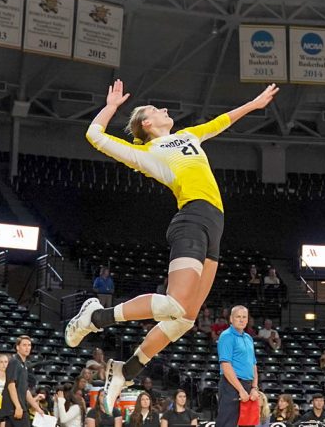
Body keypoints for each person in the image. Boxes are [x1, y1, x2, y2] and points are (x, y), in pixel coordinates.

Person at [67, 80, 279, 412]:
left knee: (185, 318)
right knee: (174, 304)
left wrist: (253, 104)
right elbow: (95, 137)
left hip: (215, 226)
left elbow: (220, 122)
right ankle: (96, 317)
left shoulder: (189, 135)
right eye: (156, 110)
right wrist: (111, 107)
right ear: (147, 124)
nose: (165, 110)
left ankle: (125, 371)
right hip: (192, 216)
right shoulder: (147, 152)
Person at [216, 306, 258, 427]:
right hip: (232, 385)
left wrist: (254, 387)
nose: (241, 320)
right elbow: (226, 365)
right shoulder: (226, 336)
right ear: (231, 319)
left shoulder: (249, 338)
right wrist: (240, 390)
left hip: (249, 385)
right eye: (238, 317)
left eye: (244, 317)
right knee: (227, 423)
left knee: (248, 424)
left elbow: (253, 364)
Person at [0, 336, 40, 427]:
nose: (27, 347)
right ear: (17, 347)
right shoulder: (15, 362)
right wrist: (18, 406)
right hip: (14, 408)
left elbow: (25, 390)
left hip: (17, 408)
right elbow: (11, 385)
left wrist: (37, 408)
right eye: (24, 345)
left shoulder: (24, 365)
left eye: (29, 345)